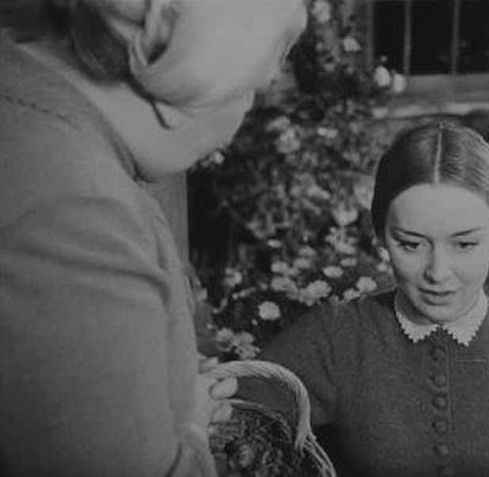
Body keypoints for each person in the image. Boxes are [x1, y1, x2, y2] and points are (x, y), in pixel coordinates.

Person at [0, 0, 306, 475]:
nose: (245, 111)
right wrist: (187, 428)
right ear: (184, 79)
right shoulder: (79, 214)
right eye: (250, 89)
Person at [222, 122, 489, 476]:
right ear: (381, 235)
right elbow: (224, 423)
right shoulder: (336, 337)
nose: (438, 272)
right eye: (411, 244)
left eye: (464, 244)